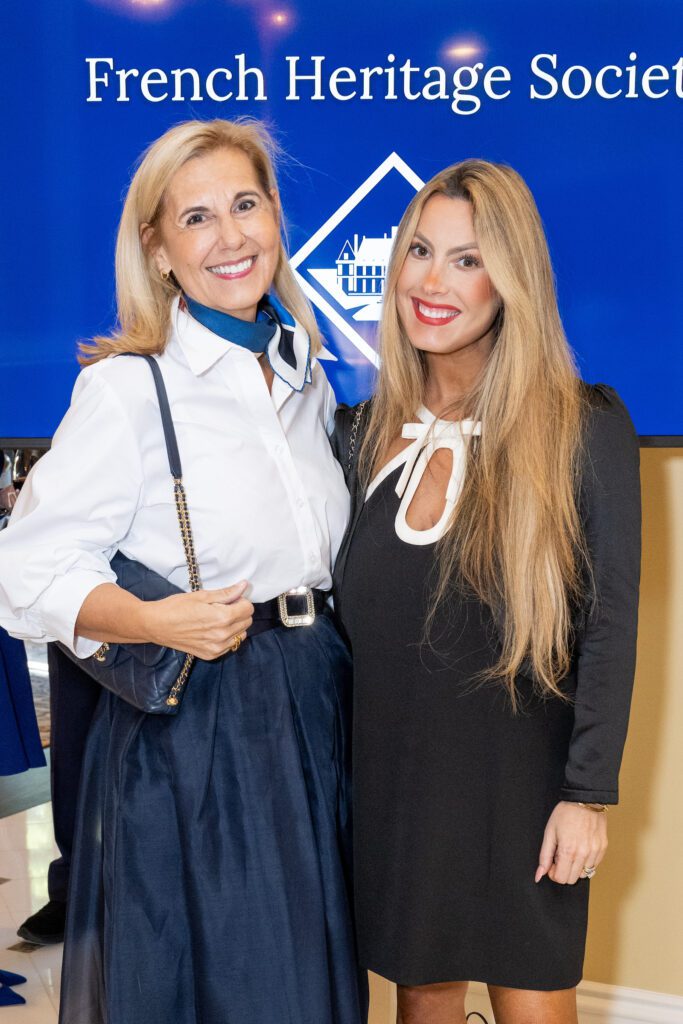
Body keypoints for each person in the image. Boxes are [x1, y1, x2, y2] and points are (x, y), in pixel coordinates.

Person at [0, 118, 367, 1024]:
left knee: (316, 969)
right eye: (195, 218)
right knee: (235, 981)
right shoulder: (132, 388)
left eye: (245, 205)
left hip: (320, 698)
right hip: (204, 720)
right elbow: (26, 569)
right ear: (159, 250)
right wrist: (155, 621)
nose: (229, 235)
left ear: (277, 218)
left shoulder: (307, 377)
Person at [332, 160, 640, 1024]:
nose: (432, 283)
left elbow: (610, 624)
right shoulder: (358, 438)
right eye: (419, 252)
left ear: (512, 281)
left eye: (467, 260)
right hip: (395, 787)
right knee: (417, 1001)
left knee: (533, 1003)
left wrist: (587, 797)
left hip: (526, 795)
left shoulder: (583, 424)